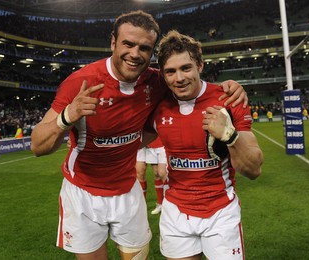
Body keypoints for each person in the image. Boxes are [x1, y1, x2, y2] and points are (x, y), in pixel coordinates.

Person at [31, 10, 247, 260]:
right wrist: (68, 116)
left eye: (144, 48)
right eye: (128, 44)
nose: (135, 54)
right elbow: (38, 145)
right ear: (113, 42)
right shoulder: (81, 82)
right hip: (82, 192)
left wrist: (230, 87)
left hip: (127, 191)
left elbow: (189, 80)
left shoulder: (157, 81)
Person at [146, 30, 263, 260]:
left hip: (221, 212)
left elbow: (254, 169)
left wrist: (229, 135)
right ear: (162, 75)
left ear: (200, 65)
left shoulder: (228, 100)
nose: (178, 78)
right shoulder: (157, 106)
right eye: (170, 71)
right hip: (176, 213)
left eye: (186, 68)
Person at [136, 136, 167, 214]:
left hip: (152, 142)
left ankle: (161, 204)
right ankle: (142, 207)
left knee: (157, 173)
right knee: (140, 172)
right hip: (141, 142)